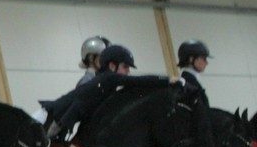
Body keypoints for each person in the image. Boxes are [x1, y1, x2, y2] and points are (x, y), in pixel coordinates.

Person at [43, 44, 177, 140]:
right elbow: (138, 80)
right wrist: (167, 80)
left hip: (62, 116)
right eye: (125, 67)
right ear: (112, 66)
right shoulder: (109, 77)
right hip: (51, 116)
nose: (128, 72)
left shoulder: (106, 80)